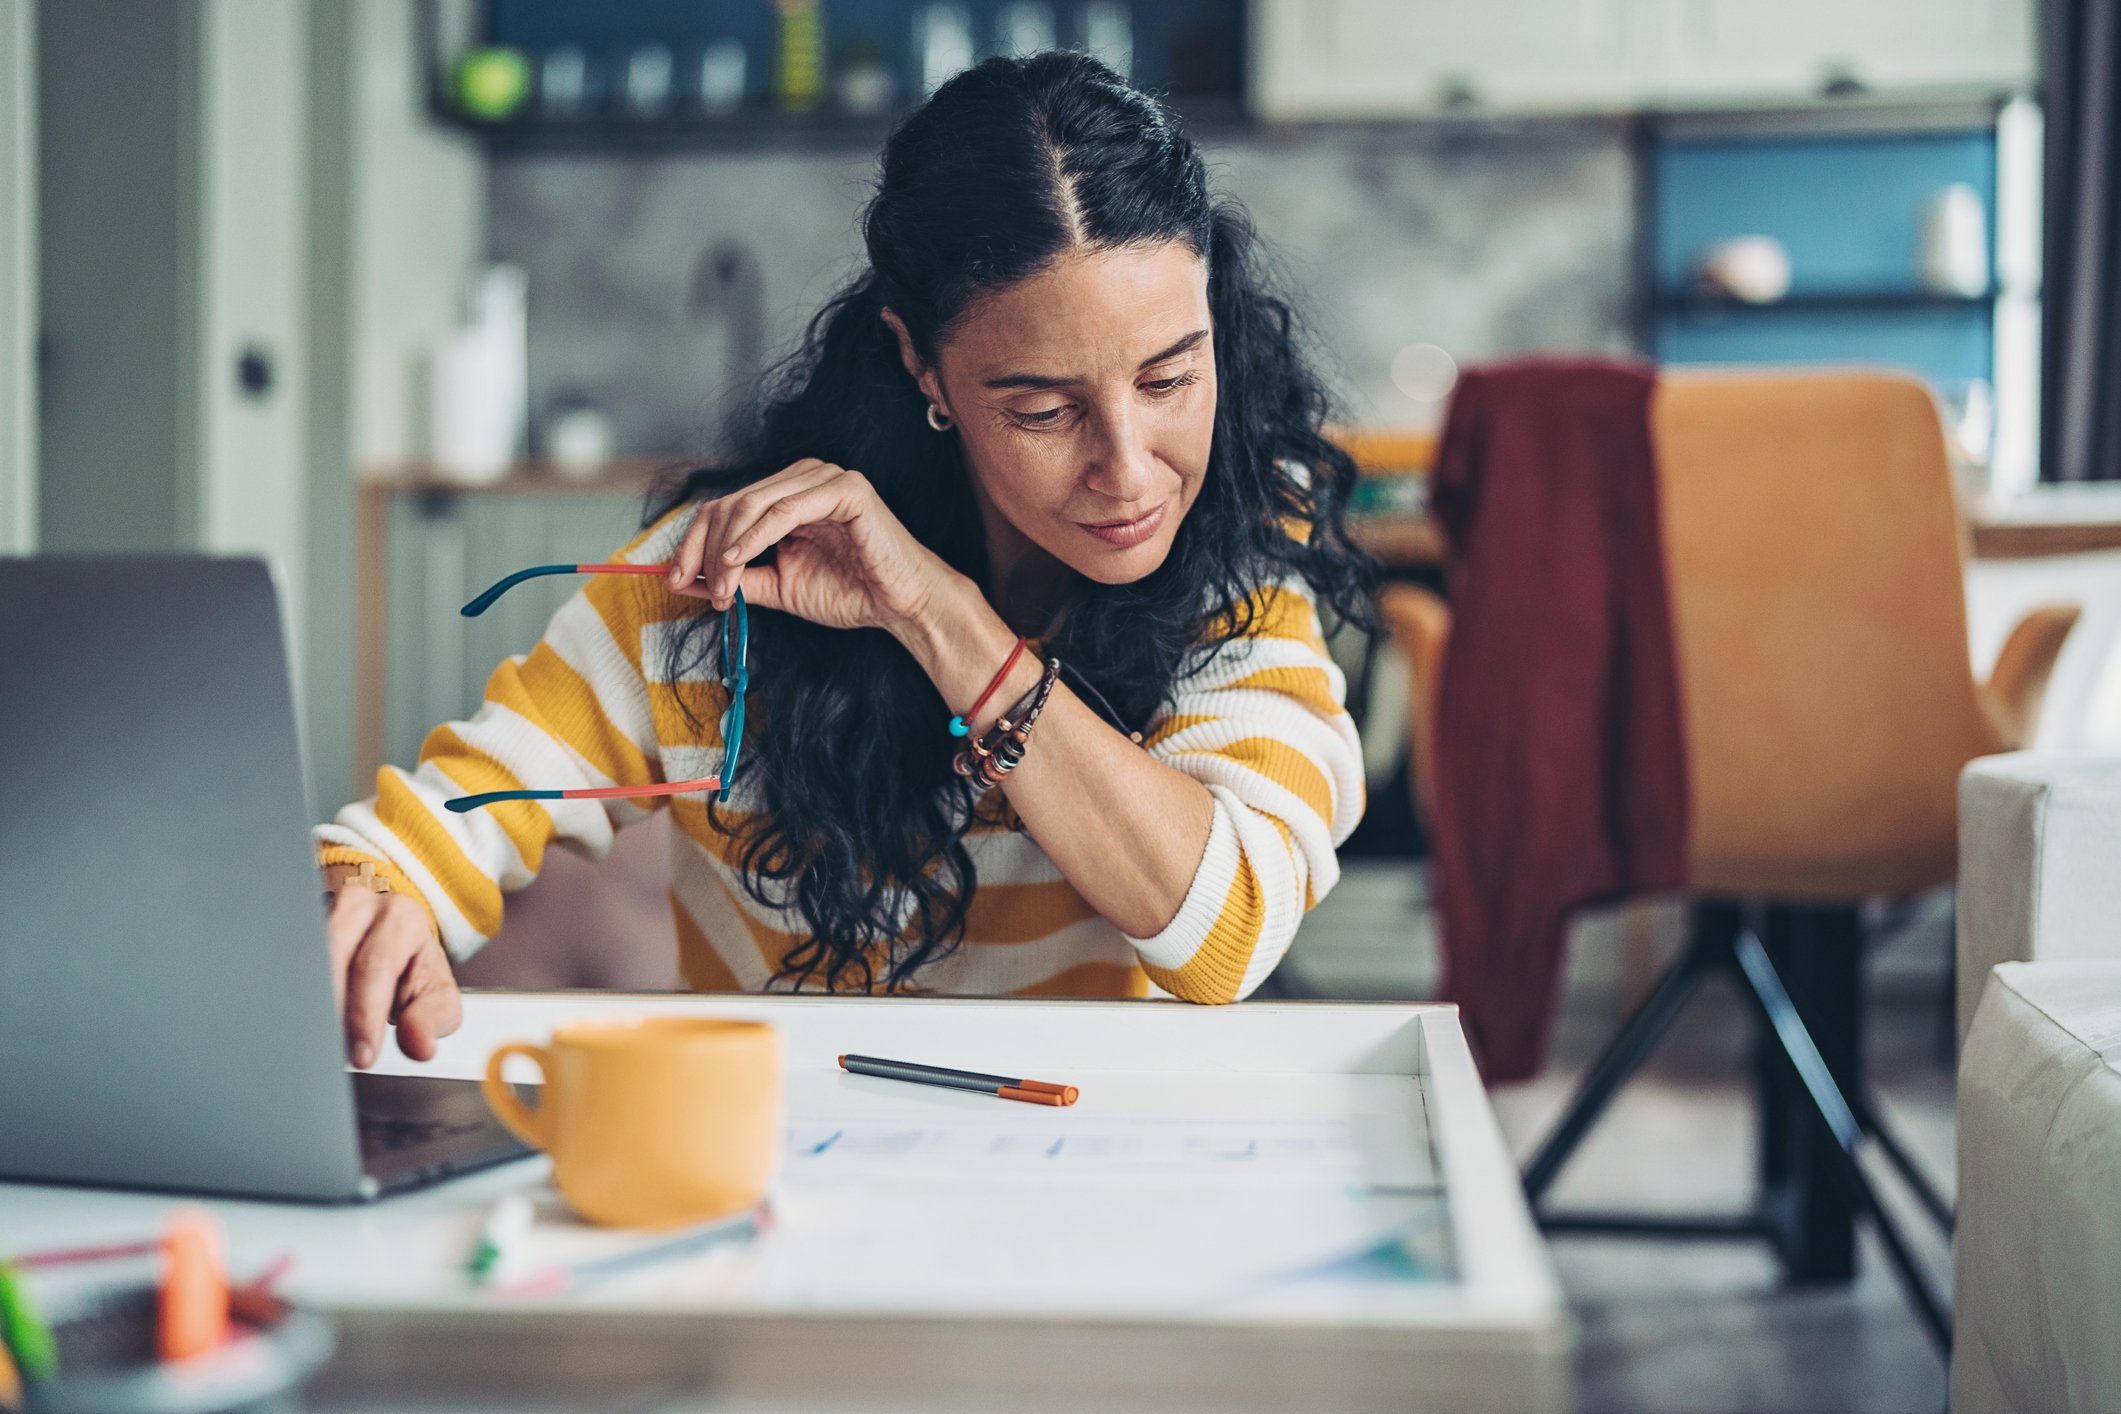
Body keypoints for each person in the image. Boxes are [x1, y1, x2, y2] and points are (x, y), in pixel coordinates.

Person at [316, 52, 1375, 1070]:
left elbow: (1227, 933)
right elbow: (457, 810)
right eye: (1044, 408)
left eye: (1169, 380)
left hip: (1079, 1165)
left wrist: (941, 617)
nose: (1131, 471)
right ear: (921, 362)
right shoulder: (733, 576)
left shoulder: (1240, 572)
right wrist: (377, 893)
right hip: (769, 1168)